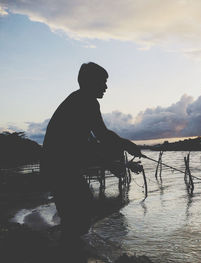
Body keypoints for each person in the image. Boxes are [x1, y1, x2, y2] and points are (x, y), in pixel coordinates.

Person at [41, 62, 141, 245]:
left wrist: (114, 157)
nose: (106, 87)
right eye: (102, 82)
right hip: (59, 168)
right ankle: (69, 250)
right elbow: (102, 134)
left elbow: (89, 143)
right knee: (79, 213)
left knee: (77, 213)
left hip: (57, 166)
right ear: (89, 82)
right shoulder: (86, 101)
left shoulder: (78, 100)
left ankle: (70, 247)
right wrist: (126, 144)